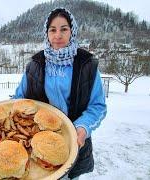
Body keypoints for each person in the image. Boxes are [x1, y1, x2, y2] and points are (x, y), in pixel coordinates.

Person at [12, 8, 107, 179]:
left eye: (64, 29)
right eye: (52, 30)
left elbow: (97, 106)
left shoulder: (87, 65)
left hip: (72, 143)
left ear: (72, 31)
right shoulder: (35, 64)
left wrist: (82, 128)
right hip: (35, 144)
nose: (58, 35)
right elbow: (19, 99)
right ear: (46, 33)